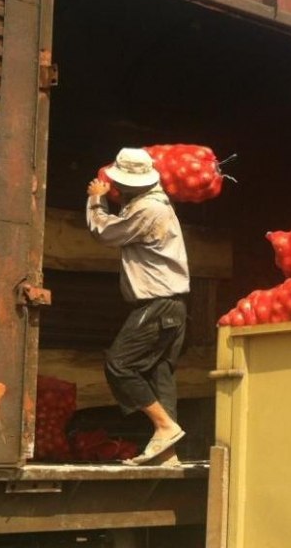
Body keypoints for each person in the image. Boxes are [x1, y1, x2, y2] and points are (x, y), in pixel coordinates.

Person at [86, 147, 189, 466]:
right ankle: (167, 454)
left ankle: (164, 426)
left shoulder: (147, 210)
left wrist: (96, 199)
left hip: (156, 304)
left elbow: (105, 231)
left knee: (119, 364)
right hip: (174, 307)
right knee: (160, 375)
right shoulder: (154, 203)